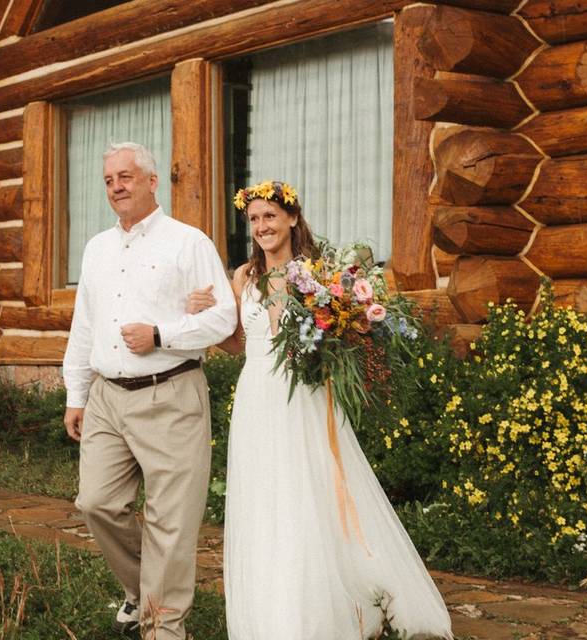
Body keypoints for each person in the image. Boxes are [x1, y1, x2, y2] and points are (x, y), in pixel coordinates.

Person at [188, 181, 453, 639]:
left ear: (292, 218)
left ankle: (337, 603)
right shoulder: (242, 279)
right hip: (256, 397)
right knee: (265, 496)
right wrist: (202, 317)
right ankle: (276, 607)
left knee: (310, 490)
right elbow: (237, 343)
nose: (261, 226)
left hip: (304, 397)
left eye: (269, 216)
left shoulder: (320, 273)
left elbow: (343, 337)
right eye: (253, 220)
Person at [62, 142, 237, 640]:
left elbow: (224, 316)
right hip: (106, 398)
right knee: (96, 502)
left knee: (171, 522)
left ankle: (163, 627)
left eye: (126, 177)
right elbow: (85, 324)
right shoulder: (97, 247)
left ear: (152, 181)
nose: (117, 187)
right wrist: (77, 393)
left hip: (171, 395)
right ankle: (142, 590)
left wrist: (162, 334)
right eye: (109, 179)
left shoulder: (188, 242)